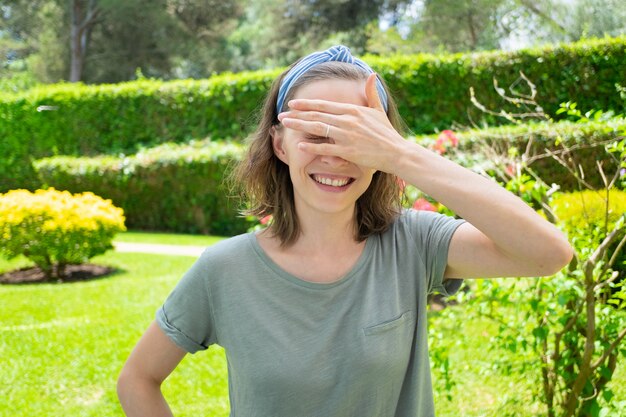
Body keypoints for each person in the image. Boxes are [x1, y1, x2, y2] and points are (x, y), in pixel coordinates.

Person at [117, 45, 574, 417]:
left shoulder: (413, 243)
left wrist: (402, 157)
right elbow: (137, 380)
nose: (336, 156)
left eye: (358, 137)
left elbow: (548, 254)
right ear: (279, 144)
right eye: (316, 133)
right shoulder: (223, 270)